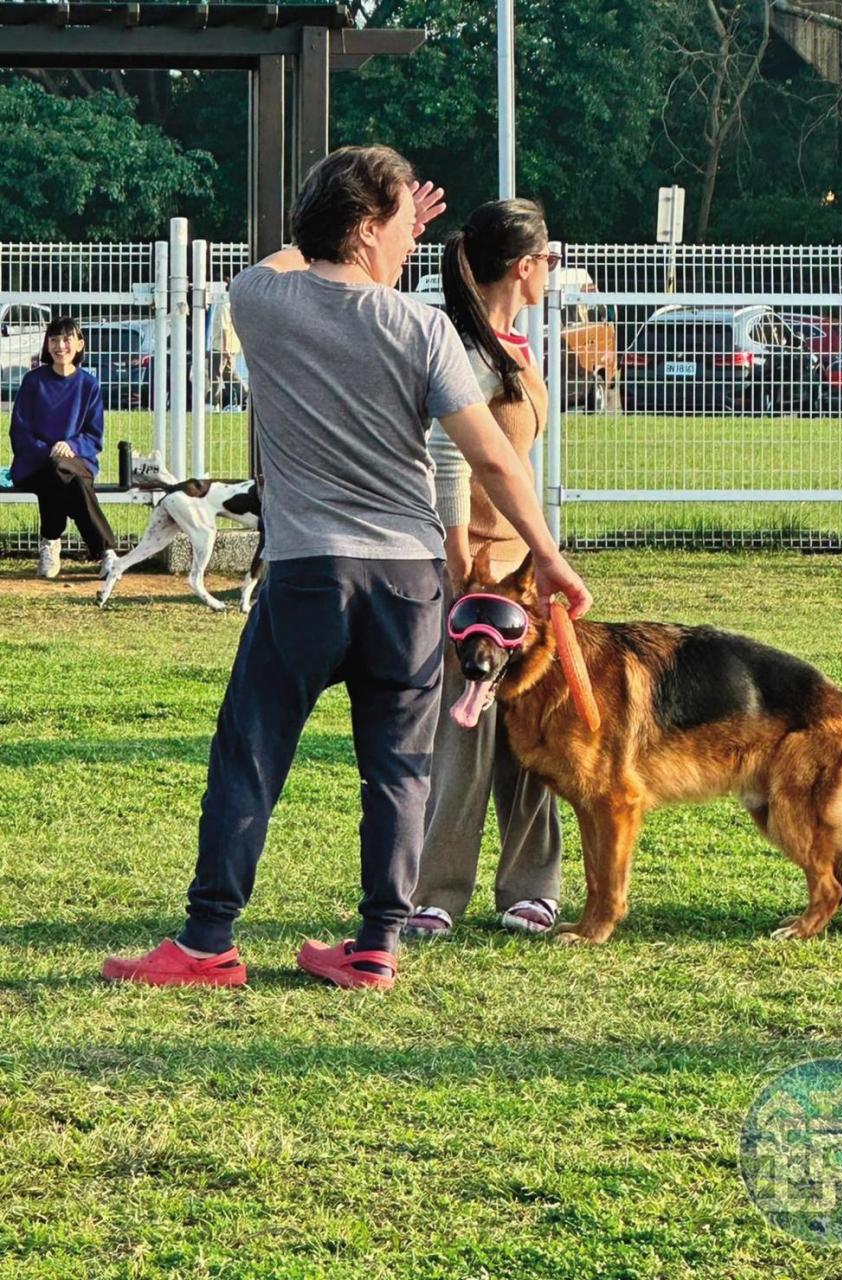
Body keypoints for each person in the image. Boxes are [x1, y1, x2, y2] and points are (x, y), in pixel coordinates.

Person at [102, 145, 591, 992]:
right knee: (400, 768)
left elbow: (290, 256)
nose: (416, 240)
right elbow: (493, 459)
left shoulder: (262, 299)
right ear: (367, 228)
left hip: (308, 575)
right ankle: (375, 948)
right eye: (404, 223)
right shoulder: (423, 327)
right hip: (407, 582)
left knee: (251, 755)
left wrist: (348, 224)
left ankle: (208, 943)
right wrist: (546, 556)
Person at [405, 199, 563, 941]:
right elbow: (448, 459)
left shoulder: (514, 348)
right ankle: (438, 890)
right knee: (466, 728)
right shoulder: (463, 347)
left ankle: (531, 886)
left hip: (520, 571)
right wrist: (463, 562)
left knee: (531, 721)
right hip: (478, 570)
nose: (553, 272)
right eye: (549, 260)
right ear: (522, 266)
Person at [9, 316, 117, 580]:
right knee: (62, 475)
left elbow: (94, 437)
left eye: (66, 339)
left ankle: (50, 540)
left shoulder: (89, 385)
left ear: (79, 344)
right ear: (47, 345)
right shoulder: (33, 382)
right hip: (35, 462)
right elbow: (19, 432)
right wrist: (49, 450)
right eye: (54, 340)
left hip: (77, 460)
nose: (60, 346)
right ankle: (107, 552)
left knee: (64, 473)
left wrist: (70, 446)